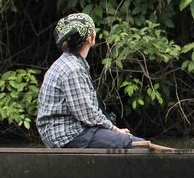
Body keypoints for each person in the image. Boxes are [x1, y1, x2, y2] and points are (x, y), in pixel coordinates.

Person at [36, 13, 163, 149]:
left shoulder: (66, 63)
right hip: (69, 135)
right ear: (90, 38)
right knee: (136, 145)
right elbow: (87, 114)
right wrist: (114, 129)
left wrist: (112, 129)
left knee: (129, 140)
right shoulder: (72, 69)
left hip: (67, 133)